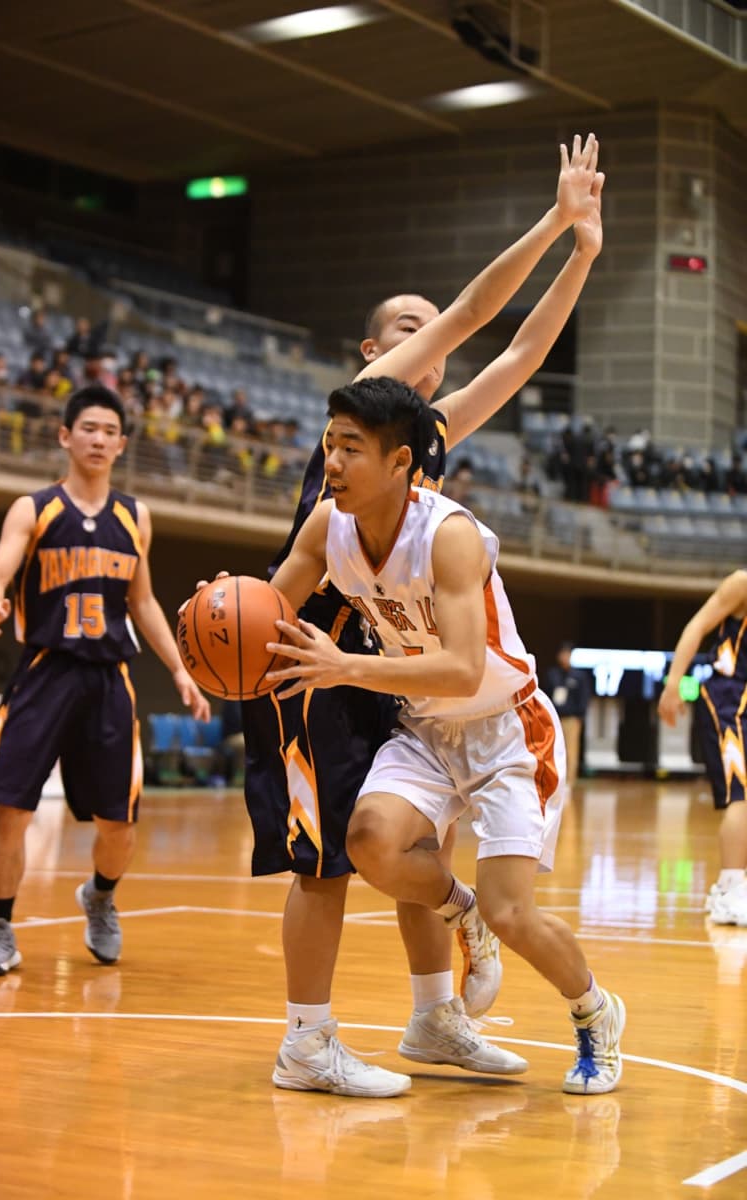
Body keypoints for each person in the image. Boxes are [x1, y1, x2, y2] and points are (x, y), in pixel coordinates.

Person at [238, 134, 604, 1097]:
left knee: (415, 845)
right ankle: (309, 1040)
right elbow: (485, 310)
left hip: (385, 671)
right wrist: (558, 216)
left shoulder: (423, 450)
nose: (435, 333)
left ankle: (435, 1018)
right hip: (309, 658)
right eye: (414, 325)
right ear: (381, 352)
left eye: (430, 325)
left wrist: (585, 255)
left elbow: (521, 350)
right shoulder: (358, 429)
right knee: (329, 861)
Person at [266, 376, 626, 1096]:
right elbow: (270, 606)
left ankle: (595, 1011)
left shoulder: (449, 535)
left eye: (352, 449)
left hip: (505, 729)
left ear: (401, 462)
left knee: (513, 911)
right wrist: (225, 613)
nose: (332, 463)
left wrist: (346, 666)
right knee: (370, 841)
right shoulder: (325, 527)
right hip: (424, 726)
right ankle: (461, 912)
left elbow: (463, 669)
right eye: (329, 445)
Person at [0, 383, 210, 978]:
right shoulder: (35, 508)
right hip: (44, 672)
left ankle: (100, 896)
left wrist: (180, 667)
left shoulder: (135, 515)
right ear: (65, 435)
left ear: (122, 444)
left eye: (109, 431)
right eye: (89, 428)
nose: (99, 439)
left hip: (108, 679)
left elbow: (145, 601)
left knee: (118, 820)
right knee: (9, 809)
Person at [657, 570, 747, 925]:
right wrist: (673, 684)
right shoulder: (741, 583)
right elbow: (696, 626)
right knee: (741, 796)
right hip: (728, 700)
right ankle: (728, 889)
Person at [544, 642, 591, 787]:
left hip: (571, 719)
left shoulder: (579, 676)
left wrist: (580, 716)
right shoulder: (552, 675)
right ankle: (553, 780)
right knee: (552, 750)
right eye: (562, 654)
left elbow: (584, 696)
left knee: (571, 750)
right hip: (554, 718)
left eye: (567, 654)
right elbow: (545, 695)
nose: (565, 657)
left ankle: (569, 782)